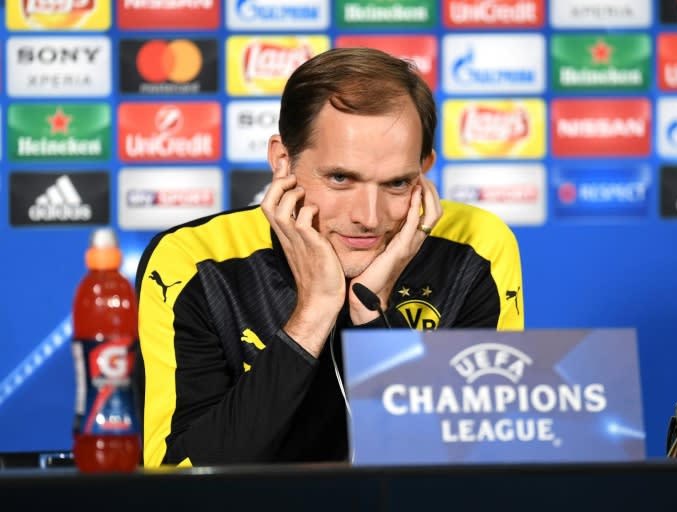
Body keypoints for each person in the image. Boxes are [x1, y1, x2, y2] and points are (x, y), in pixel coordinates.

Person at [135, 47, 524, 468]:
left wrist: (373, 314)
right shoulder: (193, 261)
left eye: (397, 183)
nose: (368, 217)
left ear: (424, 169)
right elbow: (179, 477)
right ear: (283, 161)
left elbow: (479, 465)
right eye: (341, 178)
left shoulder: (475, 247)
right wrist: (314, 311)